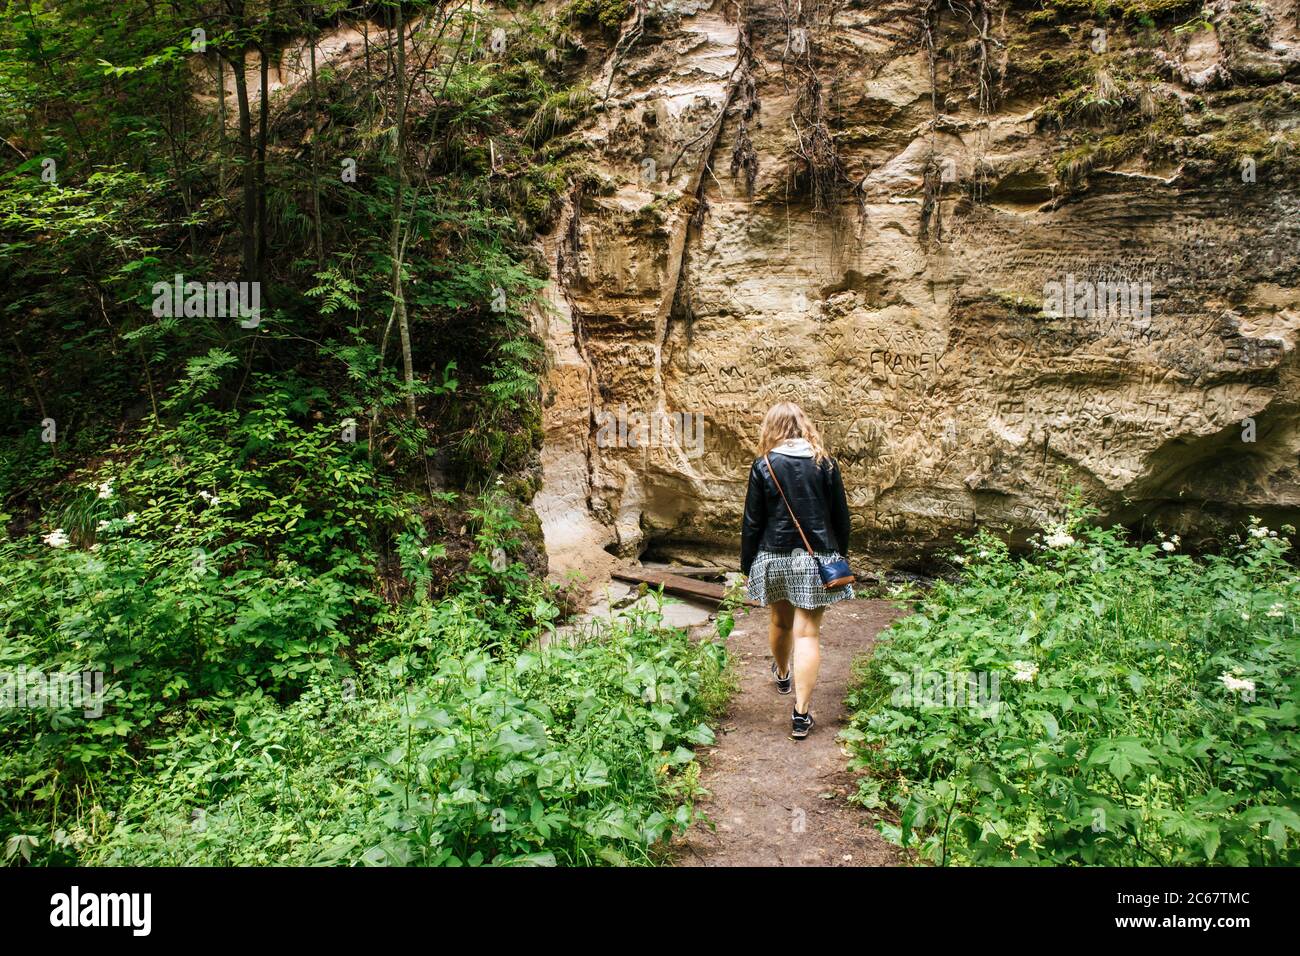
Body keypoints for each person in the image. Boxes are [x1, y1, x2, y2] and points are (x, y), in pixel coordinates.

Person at [740, 402, 854, 739]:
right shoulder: (825, 464)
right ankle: (801, 715)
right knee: (807, 634)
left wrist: (748, 566)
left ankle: (783, 673)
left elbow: (752, 523)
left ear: (771, 429)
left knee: (779, 620)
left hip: (773, 557)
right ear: (804, 427)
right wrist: (836, 557)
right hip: (815, 557)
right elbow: (841, 519)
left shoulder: (763, 465)